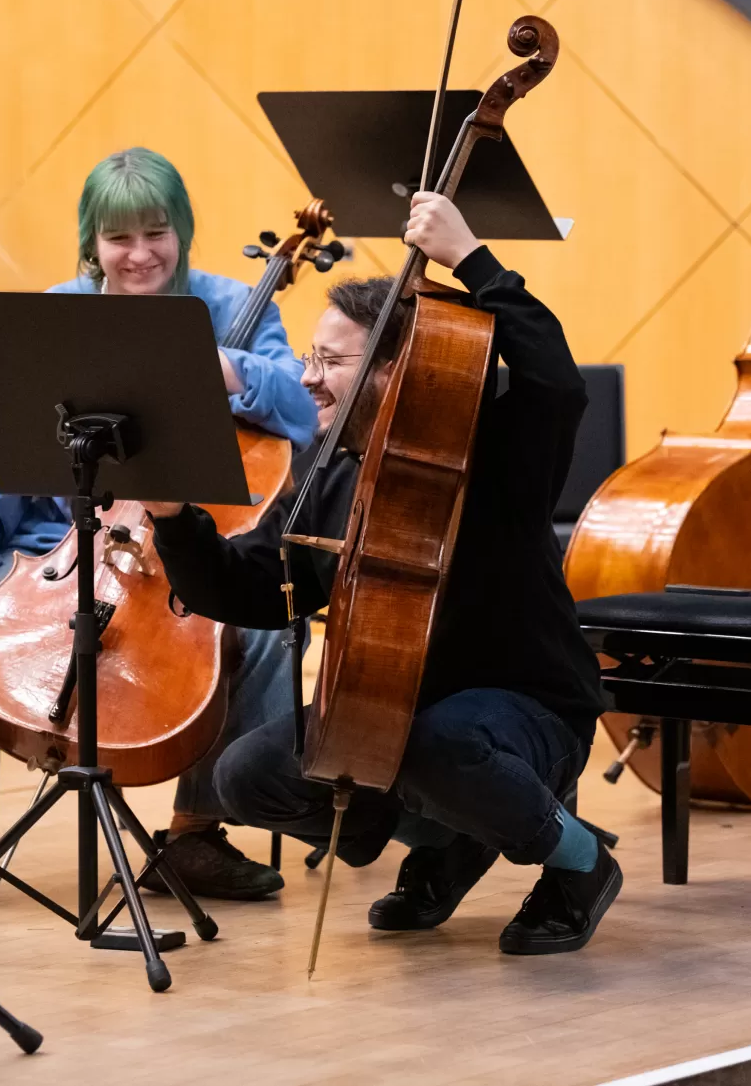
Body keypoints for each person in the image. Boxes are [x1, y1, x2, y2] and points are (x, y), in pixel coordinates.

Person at [146, 192, 622, 956]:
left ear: (395, 366)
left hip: (530, 708)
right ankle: (455, 838)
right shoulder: (326, 469)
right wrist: (175, 520)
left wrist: (470, 258)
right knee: (247, 774)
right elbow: (252, 586)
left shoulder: (495, 451)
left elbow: (558, 384)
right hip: (390, 713)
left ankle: (579, 862)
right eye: (308, 356)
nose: (305, 379)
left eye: (330, 361)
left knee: (439, 744)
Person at [0, 148, 317, 917]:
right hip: (58, 541)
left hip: (191, 550)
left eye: (157, 233)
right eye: (119, 238)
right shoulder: (50, 318)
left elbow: (308, 416)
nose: (140, 254)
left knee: (266, 626)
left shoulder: (236, 303)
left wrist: (234, 370)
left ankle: (200, 831)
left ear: (182, 231)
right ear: (91, 242)